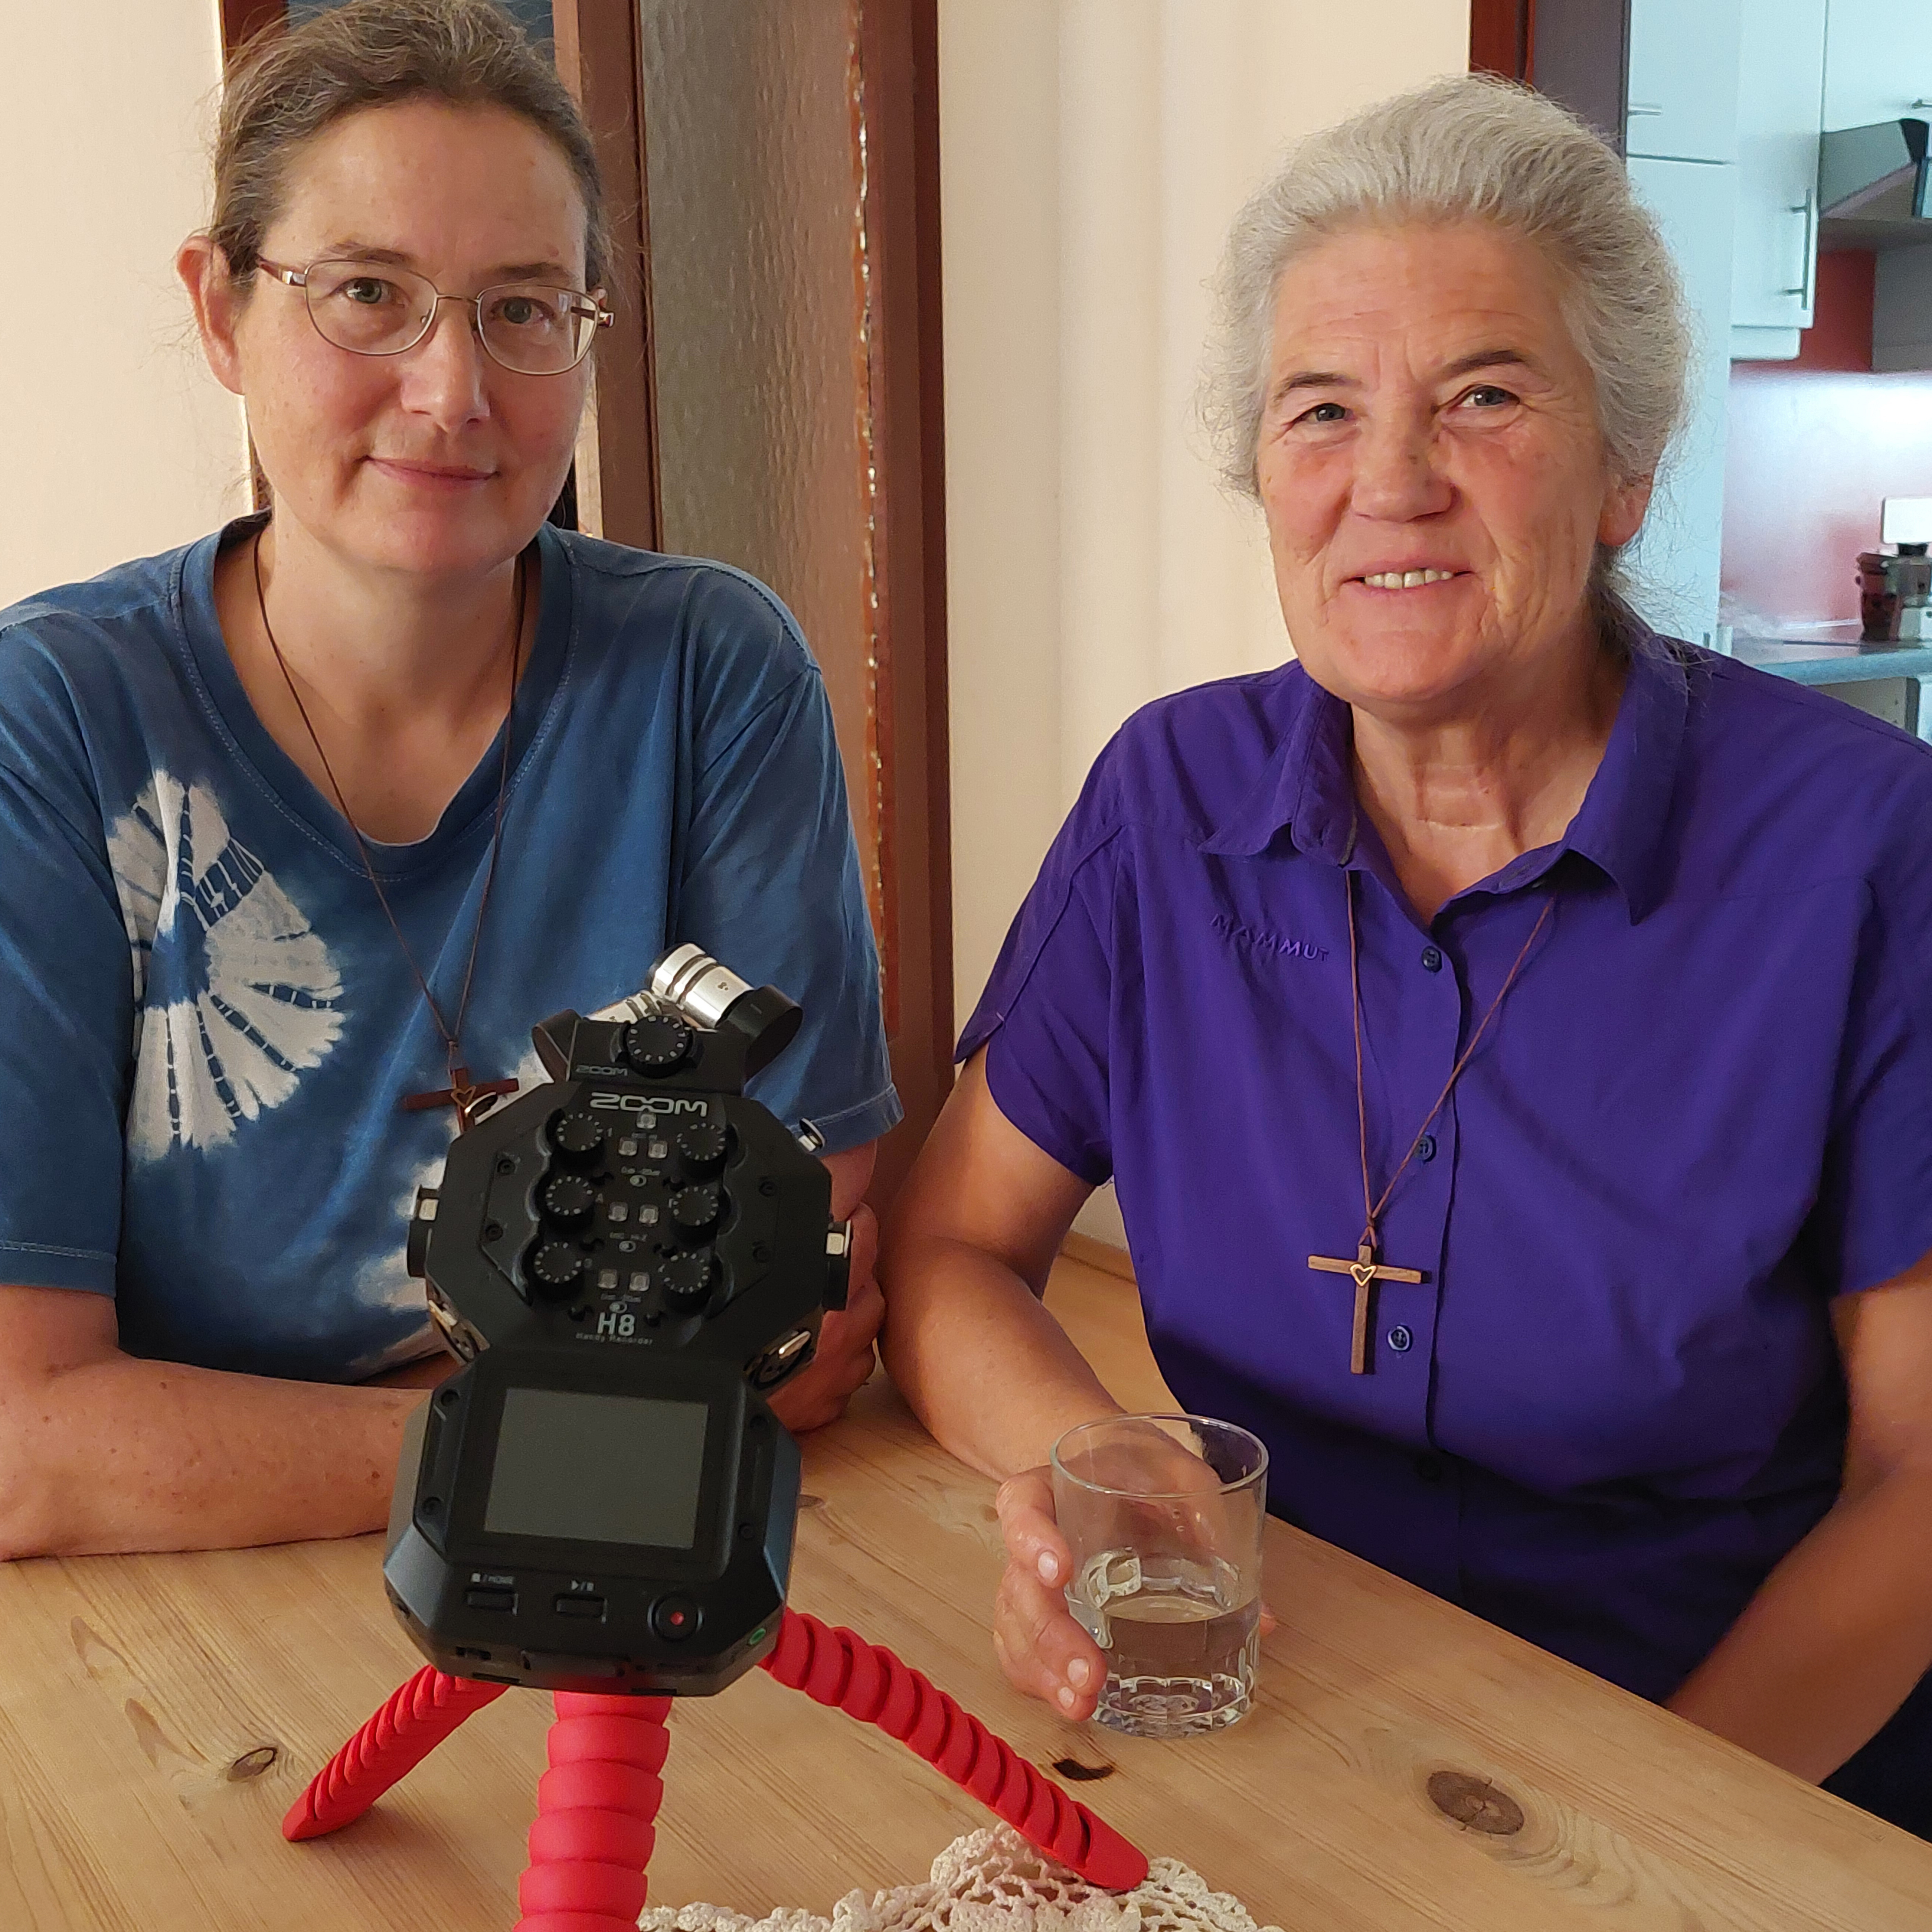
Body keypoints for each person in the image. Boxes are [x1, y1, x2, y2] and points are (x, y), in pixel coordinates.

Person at [880, 76, 1932, 1837]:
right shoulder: (1168, 798)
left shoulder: (1869, 849)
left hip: (1730, 1765)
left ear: (1626, 470)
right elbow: (954, 1250)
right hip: (1284, 1719)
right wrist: (1099, 1473)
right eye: (1321, 409)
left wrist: (1614, 1831)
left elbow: (1920, 1484)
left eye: (1487, 396)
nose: (1392, 481)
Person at [0, 0, 898, 1560]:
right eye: (366, 294)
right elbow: (26, 1442)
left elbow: (792, 1314)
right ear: (220, 310)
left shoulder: (714, 673)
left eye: (523, 309)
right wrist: (560, 1423)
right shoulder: (53, 720)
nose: (451, 391)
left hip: (626, 1566)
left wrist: (208, 1430)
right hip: (180, 1609)